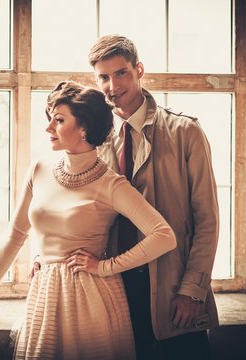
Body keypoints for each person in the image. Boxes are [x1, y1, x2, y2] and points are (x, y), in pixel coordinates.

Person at [0, 80, 177, 360]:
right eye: (50, 119)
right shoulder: (40, 169)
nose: (48, 128)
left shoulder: (111, 184)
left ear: (84, 128)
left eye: (59, 120)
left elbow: (164, 236)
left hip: (91, 298)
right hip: (44, 295)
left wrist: (105, 267)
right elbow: (17, 233)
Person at [84, 34, 220, 359]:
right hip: (114, 286)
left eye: (121, 73)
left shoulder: (186, 133)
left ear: (139, 70)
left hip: (174, 289)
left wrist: (192, 290)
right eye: (103, 77)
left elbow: (207, 220)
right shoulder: (94, 144)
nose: (112, 85)